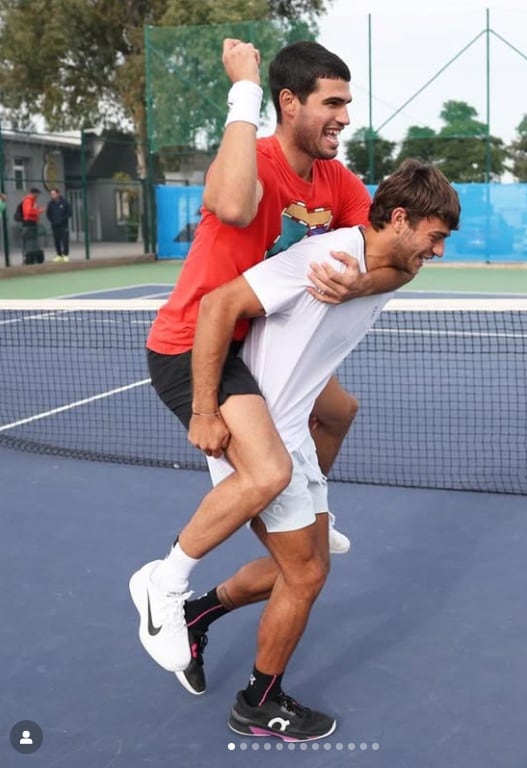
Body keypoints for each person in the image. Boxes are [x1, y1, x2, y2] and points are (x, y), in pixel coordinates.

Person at [134, 158, 460, 741]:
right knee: (305, 573)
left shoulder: (389, 264)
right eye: (434, 237)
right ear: (401, 219)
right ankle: (256, 698)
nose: (437, 252)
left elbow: (396, 272)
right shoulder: (321, 258)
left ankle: (199, 613)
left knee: (309, 565)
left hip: (294, 432)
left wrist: (366, 283)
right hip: (259, 434)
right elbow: (218, 305)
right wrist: (205, 410)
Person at [136, 38, 412, 683]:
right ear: (289, 103)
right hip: (195, 343)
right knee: (267, 472)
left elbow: (394, 255)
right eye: (332, 103)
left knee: (339, 410)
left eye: (348, 103)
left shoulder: (337, 182)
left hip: (257, 344)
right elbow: (234, 207)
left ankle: (315, 509)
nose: (346, 117)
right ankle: (163, 583)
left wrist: (361, 283)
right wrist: (243, 89)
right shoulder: (254, 160)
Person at [46, 187, 72, 262]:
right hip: (55, 226)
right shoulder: (50, 204)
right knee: (56, 241)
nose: (52, 195)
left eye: (53, 194)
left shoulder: (65, 202)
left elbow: (69, 213)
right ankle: (59, 255)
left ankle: (65, 255)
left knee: (65, 240)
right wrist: (53, 221)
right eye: (51, 194)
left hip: (64, 226)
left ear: (58, 194)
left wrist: (62, 220)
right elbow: (48, 214)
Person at [21, 187, 46, 264]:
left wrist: (38, 211)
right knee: (30, 241)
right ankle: (30, 257)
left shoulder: (33, 200)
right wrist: (38, 211)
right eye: (37, 194)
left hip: (32, 222)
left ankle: (34, 256)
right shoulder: (28, 200)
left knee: (34, 240)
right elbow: (28, 211)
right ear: (34, 193)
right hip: (29, 223)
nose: (38, 196)